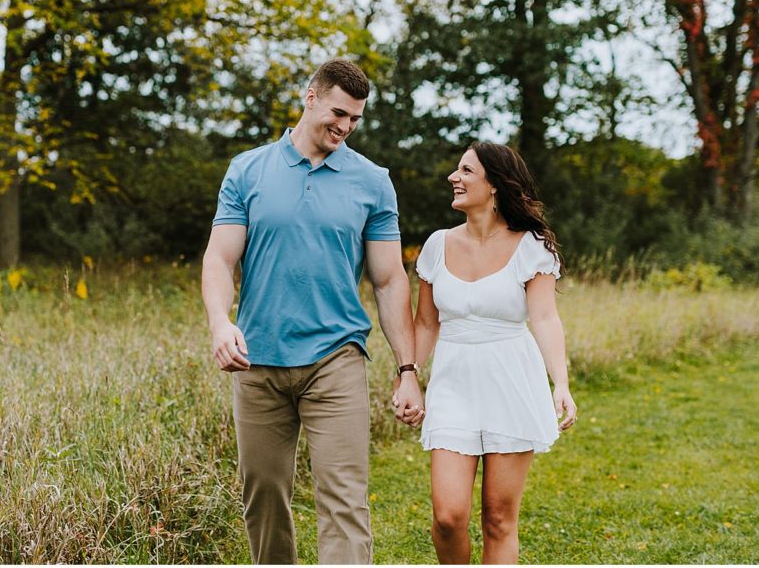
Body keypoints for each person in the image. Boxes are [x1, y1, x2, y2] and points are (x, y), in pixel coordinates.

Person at [201, 58, 425, 565]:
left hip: (335, 358)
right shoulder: (249, 169)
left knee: (344, 498)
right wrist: (220, 322)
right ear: (311, 97)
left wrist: (407, 369)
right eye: (338, 113)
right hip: (258, 359)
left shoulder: (372, 182)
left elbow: (389, 280)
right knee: (262, 497)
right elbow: (219, 257)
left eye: (355, 120)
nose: (345, 128)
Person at [406, 141, 577, 564]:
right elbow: (426, 322)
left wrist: (561, 383)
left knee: (499, 519)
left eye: (466, 171)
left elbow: (544, 319)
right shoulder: (437, 245)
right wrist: (408, 375)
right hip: (453, 383)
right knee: (448, 515)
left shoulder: (531, 246)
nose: (454, 178)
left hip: (512, 380)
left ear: (495, 185)